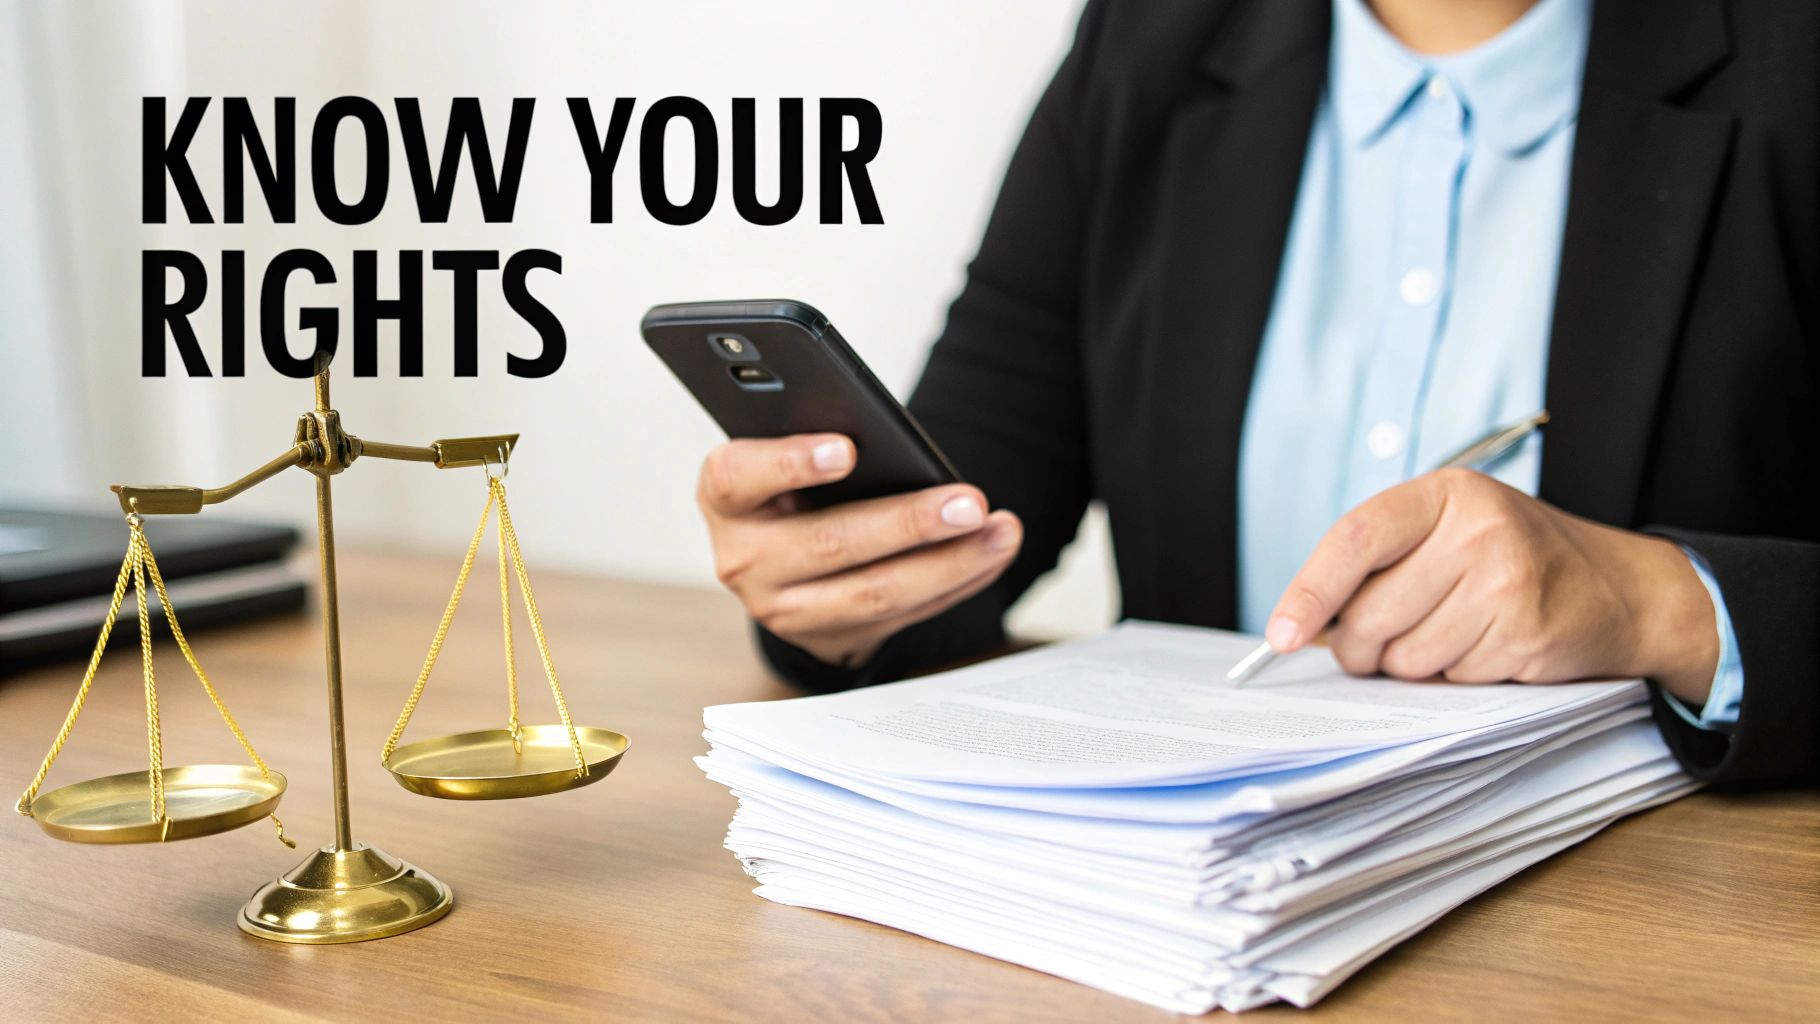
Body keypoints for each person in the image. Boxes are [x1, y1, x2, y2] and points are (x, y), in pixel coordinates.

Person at [692, 0, 1819, 784]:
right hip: (1203, 906)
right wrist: (827, 587)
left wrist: (1652, 604)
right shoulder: (1152, 41)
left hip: (1638, 925)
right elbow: (957, 522)